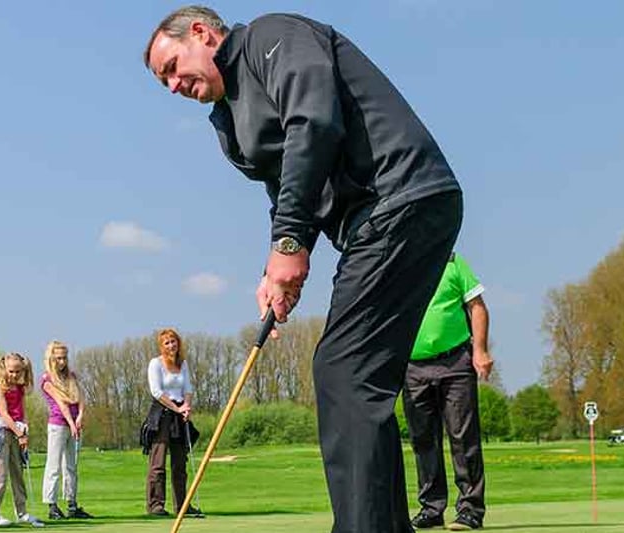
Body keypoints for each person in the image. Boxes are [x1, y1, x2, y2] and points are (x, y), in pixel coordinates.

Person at [143, 6, 463, 532]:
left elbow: (313, 123)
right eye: (164, 82)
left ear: (201, 33)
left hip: (402, 197)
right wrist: (282, 264)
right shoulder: (230, 123)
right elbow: (291, 190)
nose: (174, 85)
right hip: (370, 227)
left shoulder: (273, 37)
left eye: (174, 67)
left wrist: (289, 241)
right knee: (355, 375)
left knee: (344, 370)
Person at [404, 253, 491, 531]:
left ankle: (470, 509)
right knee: (423, 440)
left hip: (455, 362)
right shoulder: (400, 265)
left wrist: (479, 350)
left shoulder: (453, 263)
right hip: (413, 367)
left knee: (463, 436)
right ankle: (432, 508)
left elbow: (477, 306)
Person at [140, 329, 201, 518]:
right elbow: (156, 392)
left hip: (180, 415)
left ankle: (182, 505)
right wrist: (177, 408)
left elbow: (188, 389)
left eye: (173, 341)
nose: (171, 345)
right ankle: (156, 505)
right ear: (162, 346)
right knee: (157, 463)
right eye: (167, 343)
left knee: (179, 463)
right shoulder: (155, 364)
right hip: (162, 414)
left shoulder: (183, 364)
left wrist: (187, 406)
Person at [0, 353, 45, 528]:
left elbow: (22, 412)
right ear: (4, 369)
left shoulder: (19, 389)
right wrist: (19, 433)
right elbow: (4, 414)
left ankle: (22, 512)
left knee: (18, 473)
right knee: (0, 473)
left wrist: (25, 429)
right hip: (2, 431)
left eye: (18, 371)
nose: (15, 375)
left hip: (17, 430)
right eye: (11, 371)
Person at [38, 341, 93, 520]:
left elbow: (80, 397)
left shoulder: (71, 376)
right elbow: (61, 403)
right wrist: (70, 422)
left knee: (71, 466)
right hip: (58, 425)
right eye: (58, 358)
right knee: (54, 466)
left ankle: (71, 504)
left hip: (74, 424)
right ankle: (52, 506)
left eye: (64, 357)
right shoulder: (47, 379)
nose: (62, 361)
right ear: (52, 359)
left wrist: (80, 416)